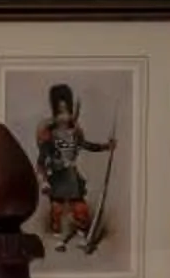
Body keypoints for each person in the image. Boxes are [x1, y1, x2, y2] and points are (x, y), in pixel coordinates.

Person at [34, 82, 114, 248]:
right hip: (57, 176)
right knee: (57, 210)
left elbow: (87, 145)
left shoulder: (75, 133)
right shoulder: (49, 135)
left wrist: (106, 147)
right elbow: (41, 162)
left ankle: (81, 233)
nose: (64, 116)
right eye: (60, 111)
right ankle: (58, 239)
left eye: (66, 111)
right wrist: (44, 181)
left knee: (80, 209)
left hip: (71, 176)